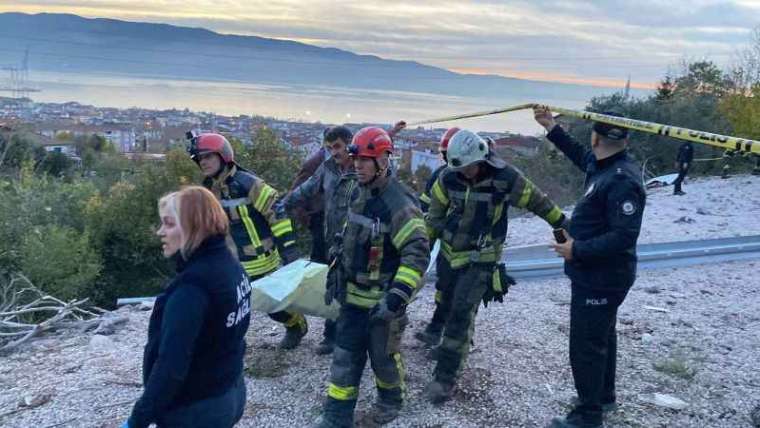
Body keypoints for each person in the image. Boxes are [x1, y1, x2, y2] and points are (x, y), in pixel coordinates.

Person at [424, 129, 569, 404]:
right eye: (460, 167)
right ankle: (453, 347)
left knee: (460, 313)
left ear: (481, 158)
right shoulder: (447, 178)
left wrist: (562, 224)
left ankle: (444, 378)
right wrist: (420, 253)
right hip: (449, 254)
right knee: (446, 302)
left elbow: (538, 201)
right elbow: (433, 218)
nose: (465, 172)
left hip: (481, 258)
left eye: (468, 167)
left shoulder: (506, 178)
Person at [534, 106, 646, 428]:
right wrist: (551, 128)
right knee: (602, 337)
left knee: (586, 345)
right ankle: (603, 397)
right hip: (596, 274)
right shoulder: (604, 164)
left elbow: (624, 237)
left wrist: (576, 249)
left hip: (602, 277)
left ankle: (588, 415)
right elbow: (578, 154)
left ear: (595, 136)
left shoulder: (622, 180)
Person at [313, 127, 429, 427]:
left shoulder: (399, 202)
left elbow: (416, 254)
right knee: (344, 359)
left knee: (384, 360)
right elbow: (346, 234)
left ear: (383, 161)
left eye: (366, 160)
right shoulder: (356, 191)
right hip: (352, 299)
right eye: (356, 159)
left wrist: (395, 298)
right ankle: (336, 417)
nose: (357, 165)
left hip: (383, 305)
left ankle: (390, 401)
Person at [124, 186, 249, 428]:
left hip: (196, 410)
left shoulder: (192, 288)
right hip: (229, 392)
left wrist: (137, 420)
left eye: (169, 224)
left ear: (195, 227)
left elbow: (171, 367)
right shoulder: (232, 267)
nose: (160, 232)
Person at [188, 132, 308, 350]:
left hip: (261, 259)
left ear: (223, 156)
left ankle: (295, 324)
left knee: (273, 307)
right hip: (231, 261)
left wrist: (289, 249)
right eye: (199, 158)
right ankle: (229, 344)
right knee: (227, 303)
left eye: (207, 156)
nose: (203, 162)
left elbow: (276, 212)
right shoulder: (208, 189)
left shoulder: (248, 183)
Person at [281, 125, 358, 355]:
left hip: (358, 242)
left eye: (337, 147)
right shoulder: (326, 169)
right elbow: (306, 189)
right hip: (331, 240)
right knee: (333, 288)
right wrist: (283, 204)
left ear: (349, 144)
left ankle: (355, 337)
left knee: (355, 290)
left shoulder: (364, 169)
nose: (334, 152)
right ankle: (330, 336)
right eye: (329, 147)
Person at [415, 127, 459, 346]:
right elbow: (423, 206)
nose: (444, 158)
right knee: (443, 286)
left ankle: (455, 339)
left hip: (466, 248)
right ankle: (436, 328)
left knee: (460, 294)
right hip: (444, 243)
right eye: (443, 154)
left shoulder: (472, 179)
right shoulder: (438, 176)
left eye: (446, 153)